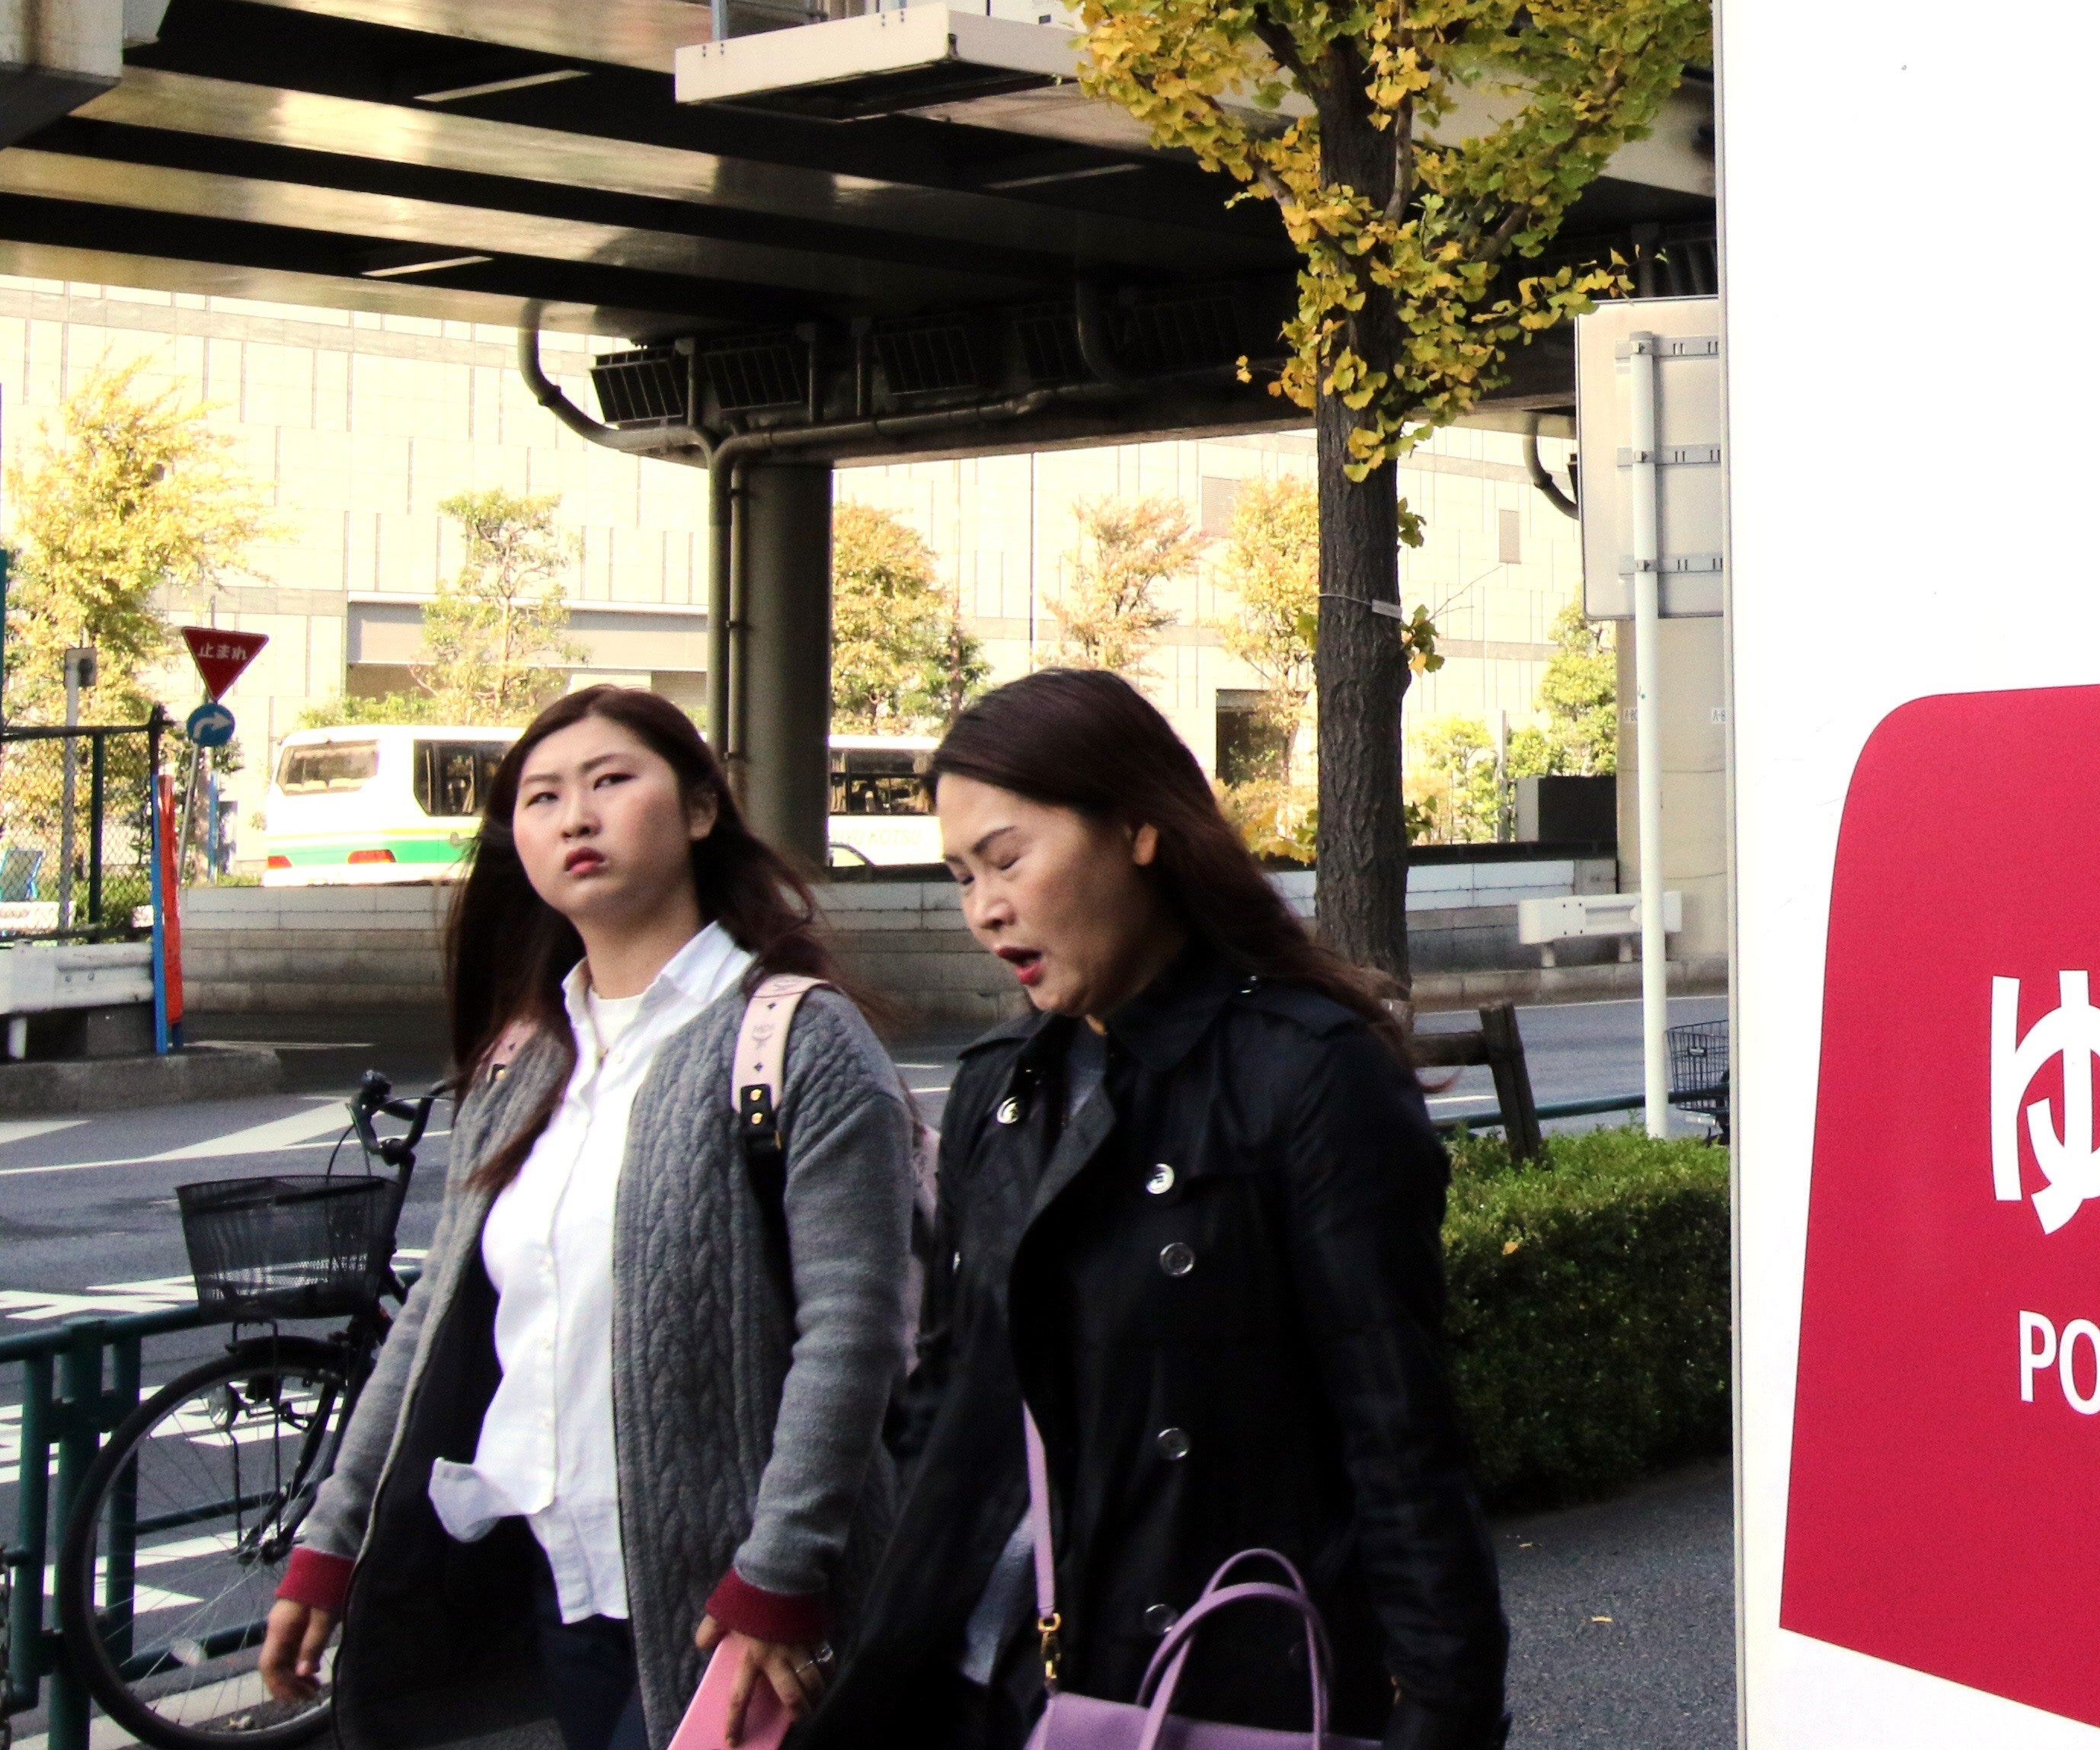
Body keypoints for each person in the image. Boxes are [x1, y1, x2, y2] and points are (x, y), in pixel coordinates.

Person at [804, 667, 1507, 1750]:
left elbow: (1399, 1437)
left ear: (1138, 830)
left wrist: (1448, 1717)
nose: (986, 907)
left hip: (1216, 1683)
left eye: (1007, 858)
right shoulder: (1003, 1088)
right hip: (998, 1682)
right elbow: (949, 1405)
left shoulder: (1306, 1073)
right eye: (960, 876)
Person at [259, 686, 919, 1750]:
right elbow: (434, 1318)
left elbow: (852, 1329)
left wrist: (780, 1574)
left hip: (749, 1619)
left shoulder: (795, 1038)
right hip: (562, 1594)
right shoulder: (521, 1063)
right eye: (541, 797)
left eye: (613, 782)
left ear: (700, 811)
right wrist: (334, 1540)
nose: (576, 817)